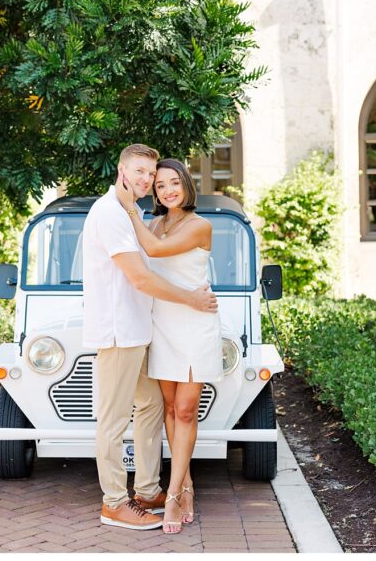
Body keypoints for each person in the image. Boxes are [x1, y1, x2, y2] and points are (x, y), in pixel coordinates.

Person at [82, 144, 218, 531]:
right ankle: (113, 502)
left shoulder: (137, 215)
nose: (147, 181)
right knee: (112, 419)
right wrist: (192, 297)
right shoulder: (113, 212)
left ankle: (146, 489)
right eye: (142, 174)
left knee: (151, 407)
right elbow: (141, 276)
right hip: (118, 330)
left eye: (152, 175)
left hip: (142, 331)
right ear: (122, 171)